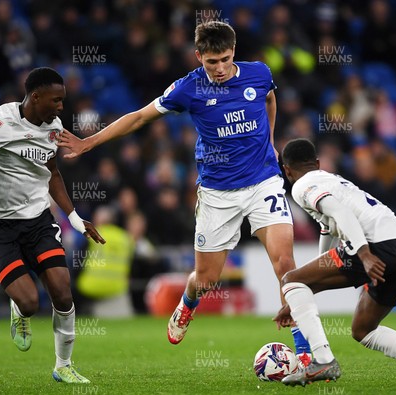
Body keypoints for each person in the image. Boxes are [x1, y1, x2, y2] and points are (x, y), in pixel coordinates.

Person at [56, 21, 308, 356]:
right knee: (205, 280)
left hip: (264, 181)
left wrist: (272, 141)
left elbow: (270, 98)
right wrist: (90, 142)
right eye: (211, 62)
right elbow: (139, 117)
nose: (219, 68)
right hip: (218, 193)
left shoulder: (259, 74)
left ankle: (304, 350)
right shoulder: (188, 89)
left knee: (284, 263)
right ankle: (188, 302)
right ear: (198, 57)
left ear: (234, 52)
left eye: (225, 59)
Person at [0, 67, 106, 383]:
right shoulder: (2, 121)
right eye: (57, 100)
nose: (61, 107)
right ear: (35, 97)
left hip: (37, 221)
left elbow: (52, 174)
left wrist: (75, 220)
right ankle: (19, 312)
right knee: (29, 302)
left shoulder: (53, 128)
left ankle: (63, 365)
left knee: (63, 293)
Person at [273, 138, 396, 388]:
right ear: (317, 163)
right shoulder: (331, 178)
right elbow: (328, 230)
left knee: (289, 279)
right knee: (363, 329)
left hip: (375, 246)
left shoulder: (301, 187)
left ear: (286, 170)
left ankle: (323, 361)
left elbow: (342, 213)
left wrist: (364, 254)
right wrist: (300, 293)